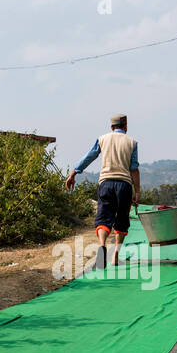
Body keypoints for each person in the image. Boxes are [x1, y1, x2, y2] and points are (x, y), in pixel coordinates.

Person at [64, 113, 141, 269]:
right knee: (121, 221)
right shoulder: (132, 143)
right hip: (124, 185)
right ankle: (115, 256)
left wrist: (73, 173)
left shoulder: (103, 139)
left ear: (111, 127)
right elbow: (134, 169)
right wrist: (137, 191)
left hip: (106, 183)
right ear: (125, 126)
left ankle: (102, 245)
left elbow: (89, 156)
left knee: (103, 217)